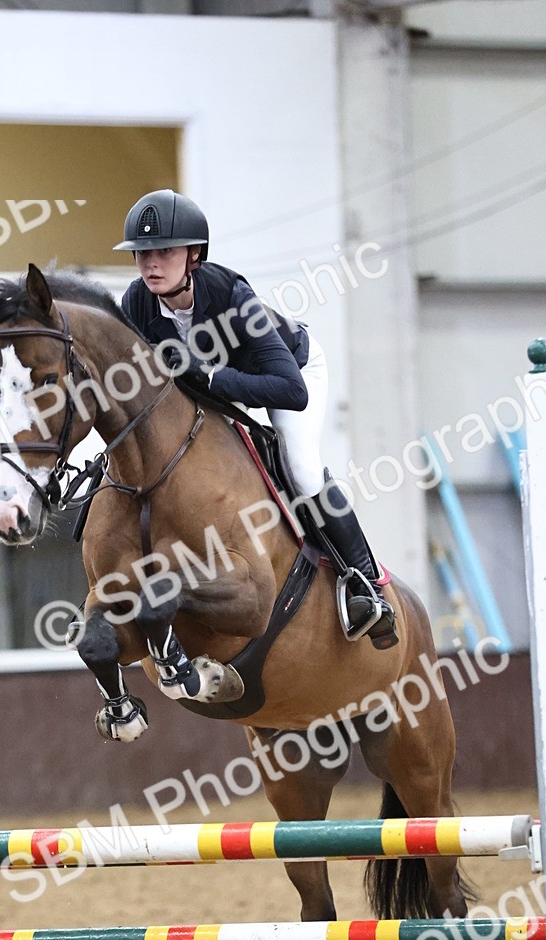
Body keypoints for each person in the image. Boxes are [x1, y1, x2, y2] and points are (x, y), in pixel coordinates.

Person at [114, 189, 396, 649]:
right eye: (143, 254)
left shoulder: (231, 294)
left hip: (292, 370)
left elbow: (291, 391)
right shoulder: (137, 304)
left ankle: (367, 583)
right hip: (223, 392)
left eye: (165, 251)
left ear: (194, 255)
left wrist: (206, 376)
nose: (151, 264)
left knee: (300, 467)